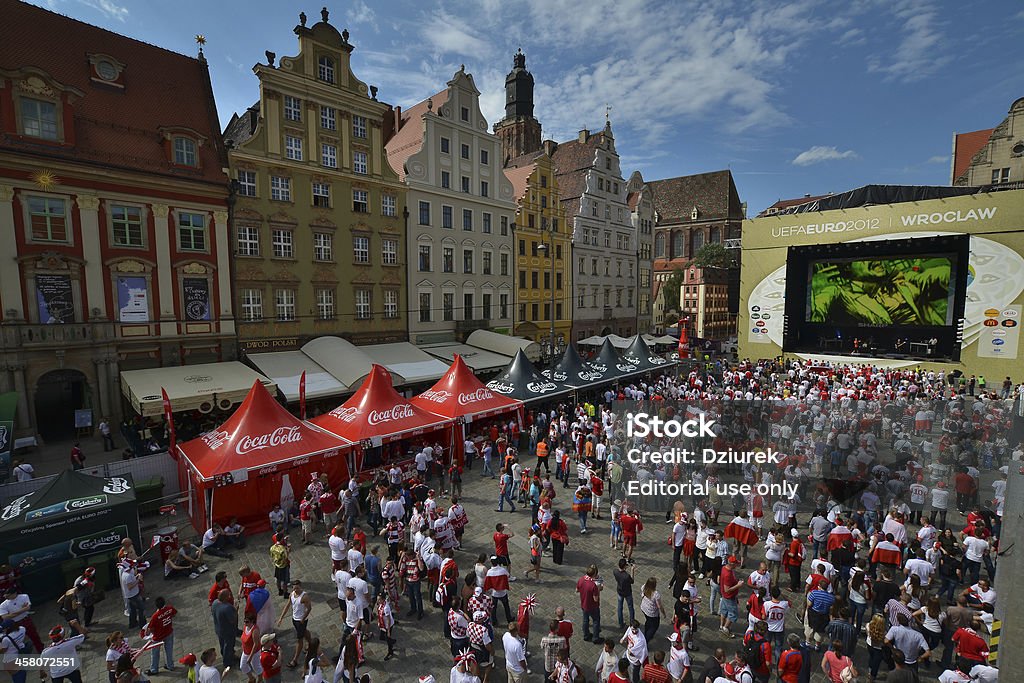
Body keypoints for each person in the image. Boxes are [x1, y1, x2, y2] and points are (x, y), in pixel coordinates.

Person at [277, 580, 312, 669]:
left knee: (299, 640)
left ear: (300, 587)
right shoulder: (292, 594)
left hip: (301, 620)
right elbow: (288, 605)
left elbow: (309, 608)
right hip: (294, 619)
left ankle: (295, 660)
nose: (296, 590)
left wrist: (303, 619)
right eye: (294, 588)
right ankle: (311, 644)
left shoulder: (304, 597)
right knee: (304, 632)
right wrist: (281, 617)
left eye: (297, 588)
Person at [142, 596, 176, 675]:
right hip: (168, 632)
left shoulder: (155, 616)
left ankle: (154, 669)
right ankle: (170, 665)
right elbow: (173, 614)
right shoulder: (170, 609)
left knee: (155, 653)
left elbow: (148, 632)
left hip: (158, 637)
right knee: (169, 651)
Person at [577, 564, 604, 642]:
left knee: (585, 620)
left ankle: (586, 635)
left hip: (584, 604)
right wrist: (598, 590)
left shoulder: (581, 579)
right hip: (593, 606)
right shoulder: (593, 585)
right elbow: (595, 599)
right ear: (594, 574)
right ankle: (595, 638)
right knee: (596, 621)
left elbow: (577, 590)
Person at [211, 589, 237, 666]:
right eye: (228, 595)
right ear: (225, 598)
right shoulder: (227, 607)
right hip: (228, 631)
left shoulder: (215, 602)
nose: (230, 596)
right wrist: (236, 609)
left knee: (222, 644)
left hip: (219, 628)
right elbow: (232, 620)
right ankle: (227, 662)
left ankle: (226, 655)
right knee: (228, 646)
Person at [640, 577, 666, 643]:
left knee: (648, 621)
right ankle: (646, 640)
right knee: (654, 626)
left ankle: (646, 633)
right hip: (652, 613)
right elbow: (659, 606)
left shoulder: (644, 587)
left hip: (644, 608)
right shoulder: (656, 594)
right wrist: (663, 613)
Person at [614, 558, 637, 629]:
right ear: (624, 566)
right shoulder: (626, 576)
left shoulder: (615, 571)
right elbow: (632, 581)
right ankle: (632, 622)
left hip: (620, 591)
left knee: (620, 608)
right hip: (627, 593)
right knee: (630, 608)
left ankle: (621, 623)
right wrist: (632, 570)